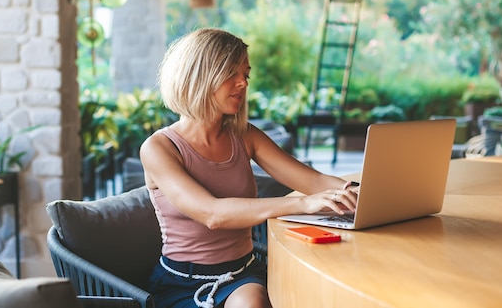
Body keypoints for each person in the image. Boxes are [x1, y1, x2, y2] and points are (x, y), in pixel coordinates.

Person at [140, 28, 360, 308]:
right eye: (231, 73)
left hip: (242, 274)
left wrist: (361, 193)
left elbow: (313, 180)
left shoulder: (244, 135)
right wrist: (304, 204)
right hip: (182, 282)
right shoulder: (159, 148)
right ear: (200, 75)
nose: (243, 83)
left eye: (245, 74)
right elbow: (212, 214)